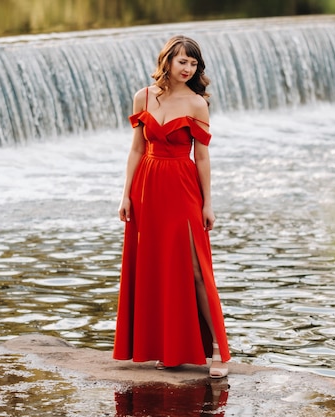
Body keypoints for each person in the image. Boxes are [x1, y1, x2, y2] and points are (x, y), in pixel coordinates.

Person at [113, 35, 230, 379]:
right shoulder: (143, 97)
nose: (188, 68)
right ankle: (170, 350)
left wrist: (208, 203)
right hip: (148, 187)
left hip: (183, 187)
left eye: (193, 64)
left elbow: (203, 157)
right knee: (157, 267)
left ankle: (219, 352)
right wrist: (125, 195)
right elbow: (136, 149)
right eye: (182, 61)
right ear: (167, 61)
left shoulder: (197, 103)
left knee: (195, 269)